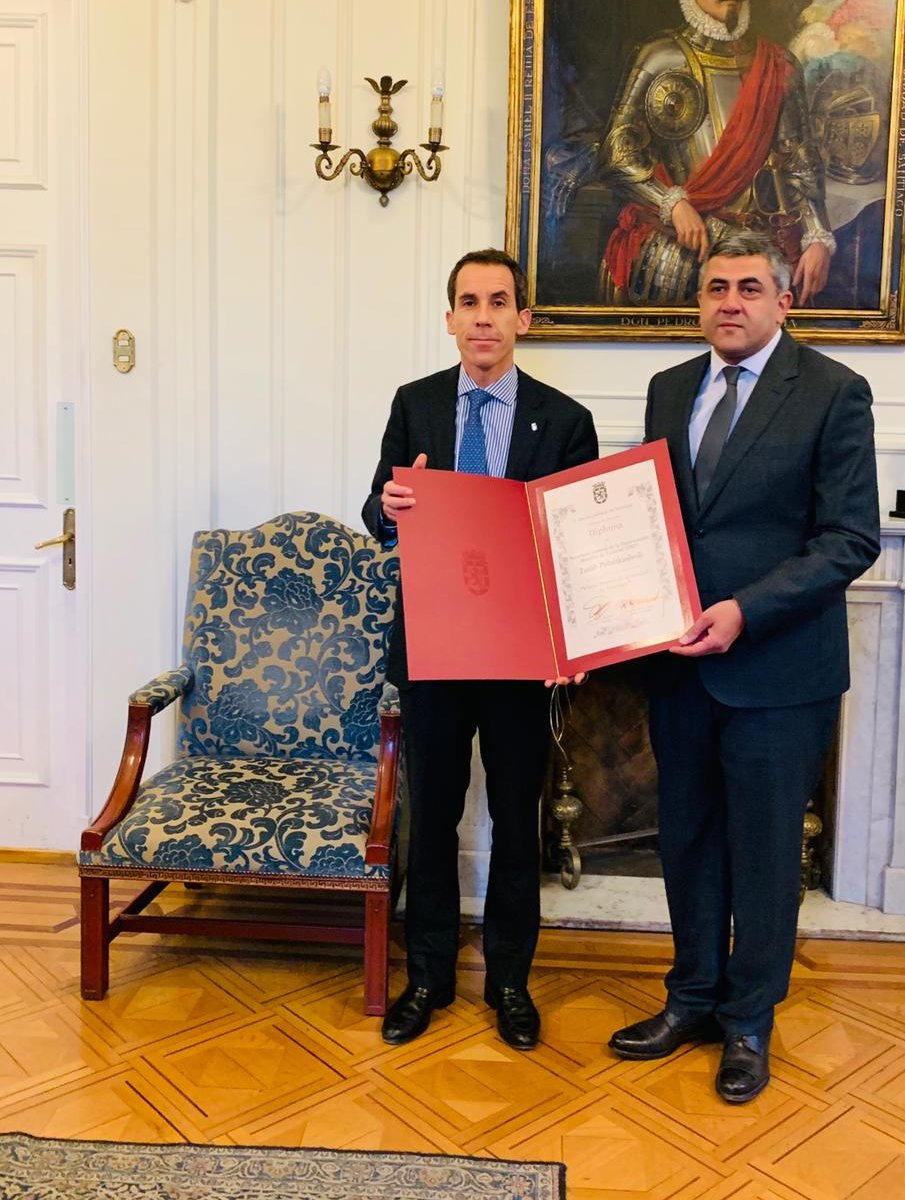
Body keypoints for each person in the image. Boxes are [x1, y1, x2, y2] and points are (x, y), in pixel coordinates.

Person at [608, 230, 879, 1102]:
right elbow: (655, 520)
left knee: (764, 852)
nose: (730, 301)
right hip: (679, 666)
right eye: (716, 287)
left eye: (749, 287)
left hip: (778, 670)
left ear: (782, 301)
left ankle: (749, 1022)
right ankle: (691, 998)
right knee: (686, 840)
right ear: (699, 302)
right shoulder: (669, 388)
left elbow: (850, 539)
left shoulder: (834, 391)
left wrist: (745, 611)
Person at [362, 249, 598, 1050]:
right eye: (470, 302)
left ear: (522, 319)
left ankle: (509, 982)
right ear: (450, 318)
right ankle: (427, 976)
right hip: (433, 648)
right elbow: (377, 508)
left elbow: (577, 545)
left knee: (514, 821)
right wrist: (389, 504)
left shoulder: (564, 420)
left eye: (499, 302)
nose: (484, 317)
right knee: (430, 820)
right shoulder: (416, 403)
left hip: (519, 656)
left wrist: (570, 644)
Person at [596, 0, 835, 306]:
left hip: (760, 248)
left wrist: (817, 236)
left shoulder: (779, 65)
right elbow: (616, 154)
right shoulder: (659, 57)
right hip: (679, 249)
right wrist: (672, 203)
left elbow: (798, 161)